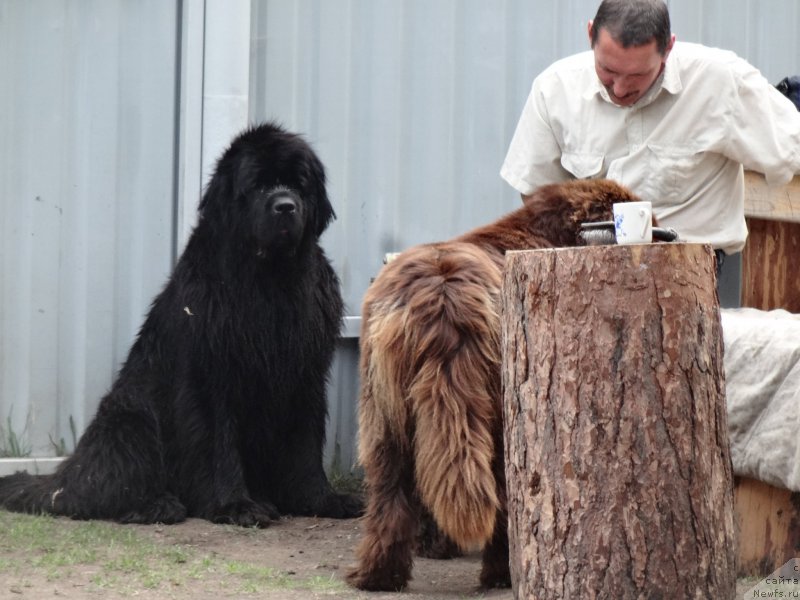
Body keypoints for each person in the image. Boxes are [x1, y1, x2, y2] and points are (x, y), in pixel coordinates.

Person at [500, 0, 800, 272]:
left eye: (637, 76)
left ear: (668, 48)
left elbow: (792, 146)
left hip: (693, 273)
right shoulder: (554, 90)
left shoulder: (720, 82)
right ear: (590, 34)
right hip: (585, 274)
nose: (619, 89)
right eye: (607, 70)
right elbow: (535, 194)